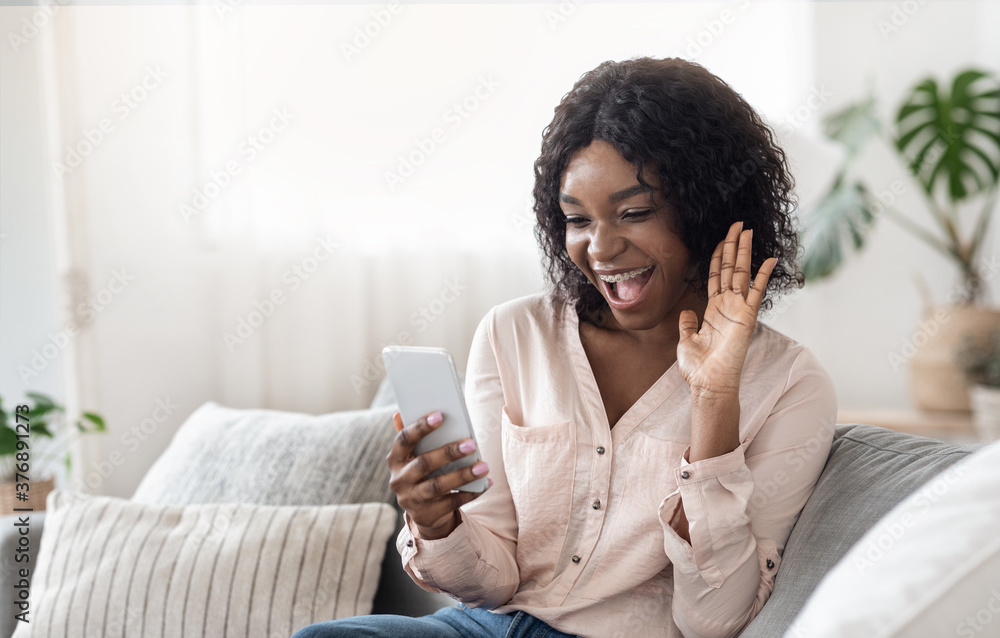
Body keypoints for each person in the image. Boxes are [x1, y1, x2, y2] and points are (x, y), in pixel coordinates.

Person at [293, 56, 837, 638]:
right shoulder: (514, 334)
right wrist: (438, 523)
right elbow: (493, 579)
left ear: (707, 210)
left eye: (633, 212)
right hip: (482, 626)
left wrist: (714, 400)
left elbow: (714, 620)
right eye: (577, 219)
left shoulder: (789, 385)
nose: (600, 248)